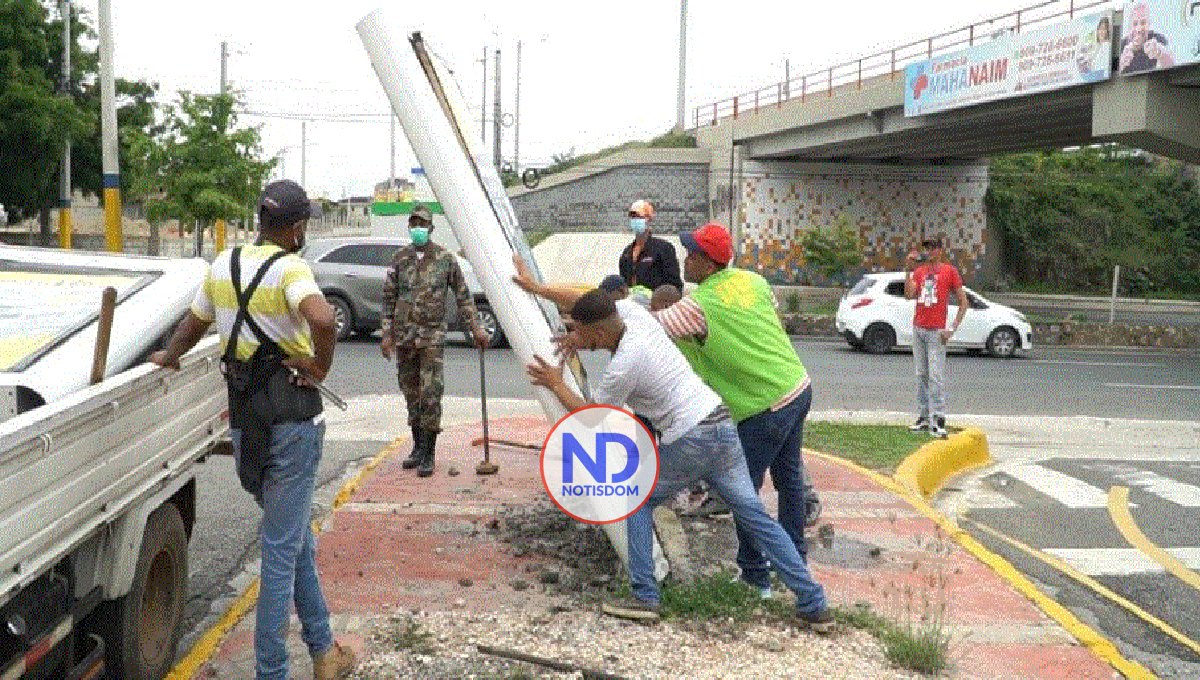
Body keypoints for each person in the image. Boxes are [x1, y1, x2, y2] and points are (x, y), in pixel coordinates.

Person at [514, 221, 823, 600]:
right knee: (764, 506)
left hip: (719, 425)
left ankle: (649, 596)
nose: (685, 258)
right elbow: (588, 302)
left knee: (637, 499)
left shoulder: (642, 350)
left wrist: (557, 383)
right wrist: (540, 292)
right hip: (751, 408)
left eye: (692, 254)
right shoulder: (648, 312)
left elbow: (592, 416)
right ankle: (811, 598)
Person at [150, 180, 356, 680]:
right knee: (281, 554)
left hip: (245, 427)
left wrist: (169, 357)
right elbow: (323, 319)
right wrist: (319, 367)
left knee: (293, 540)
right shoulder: (291, 267)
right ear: (297, 226)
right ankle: (272, 672)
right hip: (290, 424)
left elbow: (193, 324)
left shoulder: (223, 265)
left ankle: (325, 650)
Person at [382, 204, 490, 477]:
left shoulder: (445, 258)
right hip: (405, 337)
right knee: (410, 392)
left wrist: (475, 327)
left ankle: (429, 453)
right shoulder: (399, 258)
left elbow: (463, 296)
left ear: (431, 228)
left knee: (430, 394)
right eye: (414, 223)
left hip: (432, 337)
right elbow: (388, 298)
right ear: (409, 227)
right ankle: (417, 447)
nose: (418, 228)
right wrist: (387, 334)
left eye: (423, 224)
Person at [904, 236, 969, 439]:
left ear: (940, 251)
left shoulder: (949, 271)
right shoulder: (920, 272)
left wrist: (952, 328)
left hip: (937, 330)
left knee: (936, 375)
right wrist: (908, 270)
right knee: (921, 373)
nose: (929, 251)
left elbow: (963, 301)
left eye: (933, 248)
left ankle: (938, 418)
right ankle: (924, 417)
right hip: (919, 327)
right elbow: (909, 295)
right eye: (927, 248)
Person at [618, 199, 683, 293]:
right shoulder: (627, 253)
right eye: (632, 217)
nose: (635, 220)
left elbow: (675, 286)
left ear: (649, 219)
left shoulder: (663, 249)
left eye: (639, 217)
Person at [1120, 1, 1175, 75]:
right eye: (1135, 24)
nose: (1139, 29)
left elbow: (1172, 65)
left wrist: (1160, 53)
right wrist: (1121, 64)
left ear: (1149, 24)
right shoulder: (1122, 45)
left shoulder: (1157, 39)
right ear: (1129, 26)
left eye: (1143, 23)